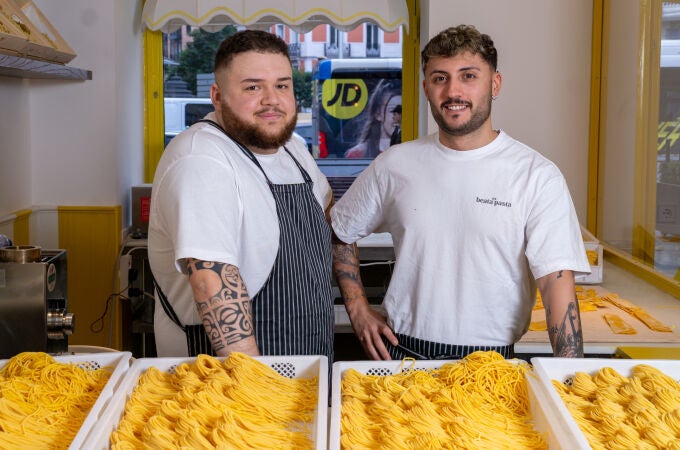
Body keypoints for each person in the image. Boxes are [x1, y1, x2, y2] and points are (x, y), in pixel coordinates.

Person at [331, 24, 590, 361]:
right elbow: (340, 231)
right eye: (440, 78)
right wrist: (358, 310)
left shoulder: (536, 175)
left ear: (494, 83)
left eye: (468, 76)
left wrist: (568, 376)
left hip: (493, 364)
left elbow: (556, 283)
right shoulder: (395, 165)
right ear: (426, 88)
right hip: (400, 356)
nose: (453, 91)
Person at [148, 30, 335, 360]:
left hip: (306, 355)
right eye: (253, 87)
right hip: (227, 376)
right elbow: (212, 285)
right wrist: (253, 390)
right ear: (217, 96)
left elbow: (328, 209)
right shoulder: (201, 157)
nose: (272, 99)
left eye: (282, 85)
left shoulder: (292, 149)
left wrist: (358, 303)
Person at [345, 79, 402, 158]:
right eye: (393, 110)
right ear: (378, 114)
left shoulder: (412, 153)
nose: (399, 118)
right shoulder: (357, 154)